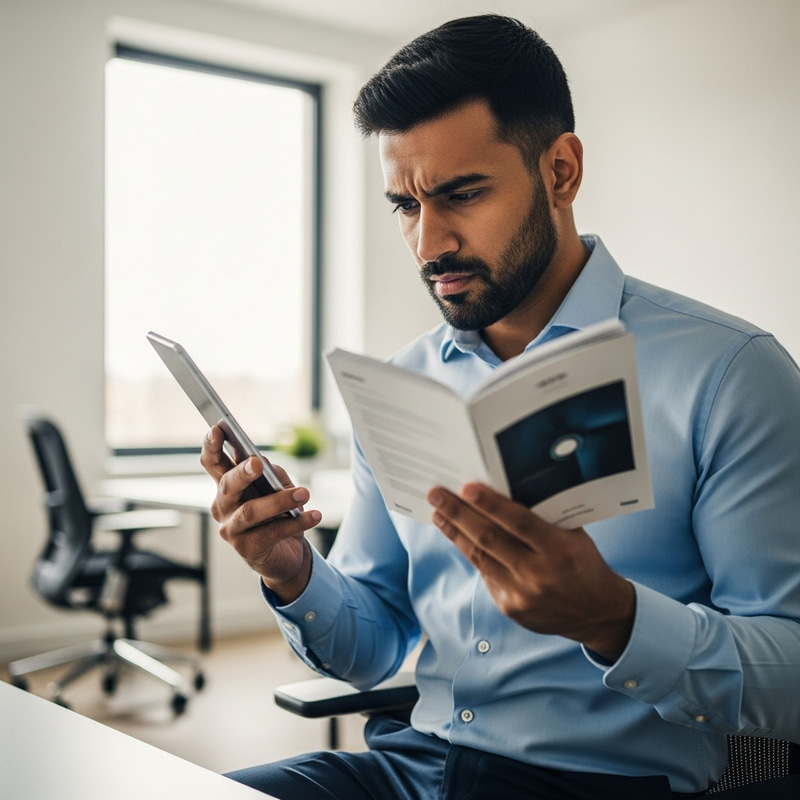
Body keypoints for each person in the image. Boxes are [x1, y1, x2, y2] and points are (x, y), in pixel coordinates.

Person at [200, 14, 800, 799]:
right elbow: (371, 649)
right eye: (405, 205)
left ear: (561, 172)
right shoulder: (402, 383)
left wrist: (615, 620)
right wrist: (292, 572)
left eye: (462, 194)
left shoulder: (727, 374)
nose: (428, 245)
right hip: (415, 768)